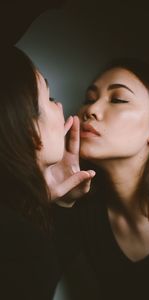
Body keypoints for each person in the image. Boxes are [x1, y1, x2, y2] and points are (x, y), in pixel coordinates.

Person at [53, 58, 149, 299]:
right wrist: (63, 202)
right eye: (89, 99)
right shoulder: (81, 207)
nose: (90, 110)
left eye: (118, 99)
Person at [0, 46, 95, 300]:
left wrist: (55, 199)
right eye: (50, 99)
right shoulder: (19, 248)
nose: (62, 105)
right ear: (26, 127)